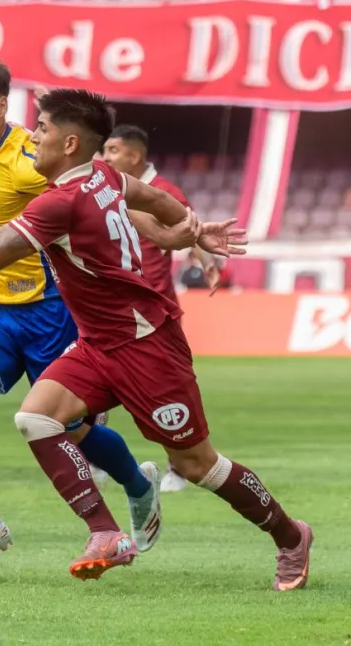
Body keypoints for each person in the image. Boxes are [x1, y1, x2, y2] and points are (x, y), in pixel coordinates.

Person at [0, 88, 313, 590]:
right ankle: (105, 533)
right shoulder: (101, 176)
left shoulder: (58, 203)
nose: (32, 135)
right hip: (99, 343)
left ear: (70, 143)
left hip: (147, 346)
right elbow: (153, 197)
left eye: (41, 128)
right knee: (36, 417)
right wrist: (187, 231)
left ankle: (290, 535)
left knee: (196, 465)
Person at [0, 56, 159, 574]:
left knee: (73, 429)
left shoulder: (32, 159)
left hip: (48, 309)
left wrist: (170, 230)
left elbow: (101, 199)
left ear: (0, 106)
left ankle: (137, 481)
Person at [101, 123, 223, 494]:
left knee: (168, 393)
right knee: (96, 386)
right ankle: (95, 460)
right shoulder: (105, 187)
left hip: (157, 313)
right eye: (104, 150)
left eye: (113, 150)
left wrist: (208, 264)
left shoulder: (166, 193)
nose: (105, 157)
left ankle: (178, 469)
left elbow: (191, 231)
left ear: (134, 156)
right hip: (113, 310)